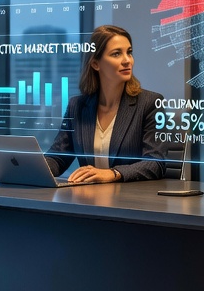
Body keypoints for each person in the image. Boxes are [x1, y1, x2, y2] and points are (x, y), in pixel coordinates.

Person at [45, 24, 168, 183]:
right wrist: (32, 169)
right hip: (88, 198)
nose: (127, 60)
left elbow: (155, 162)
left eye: (129, 53)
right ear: (95, 63)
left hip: (131, 199)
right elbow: (58, 157)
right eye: (116, 54)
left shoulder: (149, 103)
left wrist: (113, 173)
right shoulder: (77, 106)